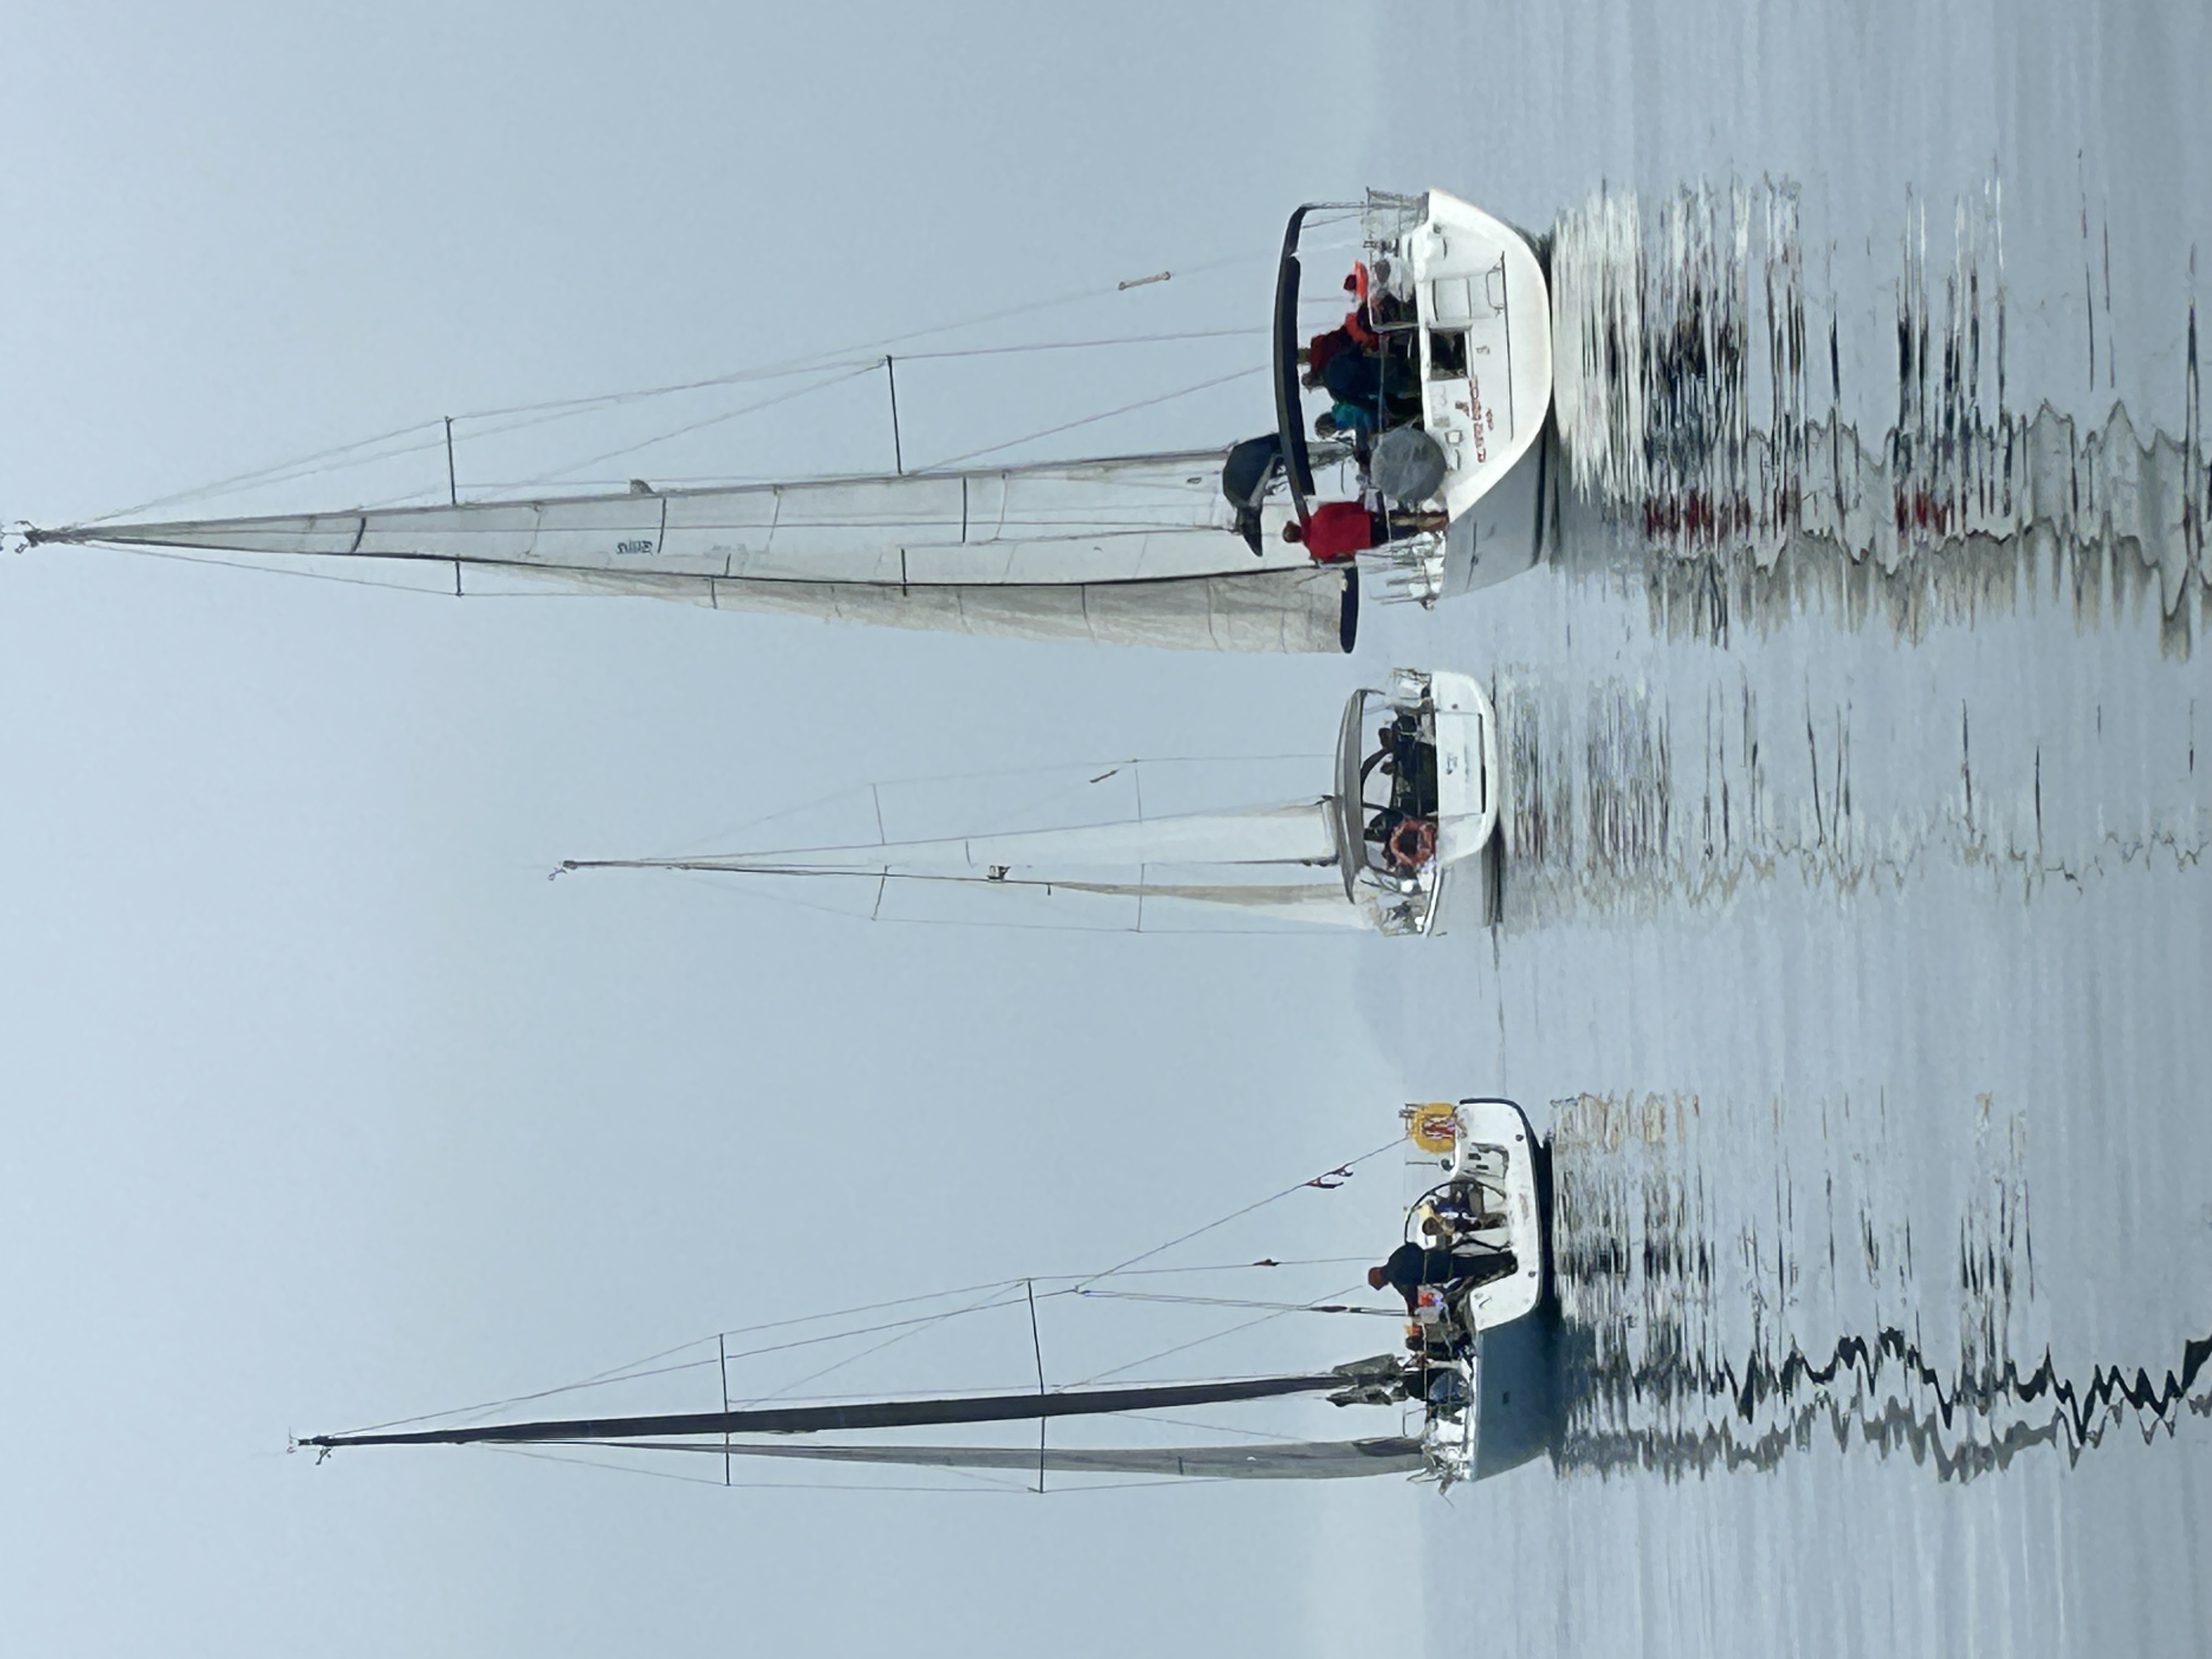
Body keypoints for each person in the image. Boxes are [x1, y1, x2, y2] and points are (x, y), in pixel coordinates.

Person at [1368, 1240, 1516, 1314]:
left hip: (1442, 1273)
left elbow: (1411, 1295)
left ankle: (1506, 1262)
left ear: (1382, 1280)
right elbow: (1413, 1247)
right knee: (1473, 1261)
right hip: (1441, 1258)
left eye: (1382, 1285)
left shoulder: (1397, 1281)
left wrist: (1411, 1310)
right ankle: (1504, 1256)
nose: (1385, 1285)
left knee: (1475, 1267)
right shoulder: (1395, 1257)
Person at [1280, 501, 1382, 563]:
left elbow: (1341, 557)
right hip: (1367, 521)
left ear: (1297, 541)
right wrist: (1364, 510)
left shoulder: (1317, 551)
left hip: (1367, 541)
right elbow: (1346, 507)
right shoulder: (1321, 515)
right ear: (1296, 525)